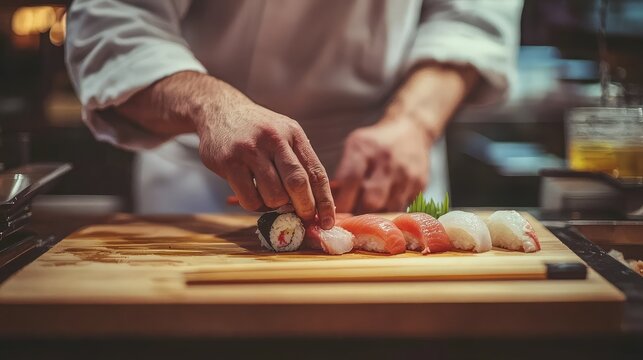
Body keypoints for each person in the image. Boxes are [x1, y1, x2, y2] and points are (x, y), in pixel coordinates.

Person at [66, 0, 522, 230]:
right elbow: (115, 21)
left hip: (385, 159)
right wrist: (211, 106)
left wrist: (414, 121)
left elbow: (473, 16)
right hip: (203, 176)